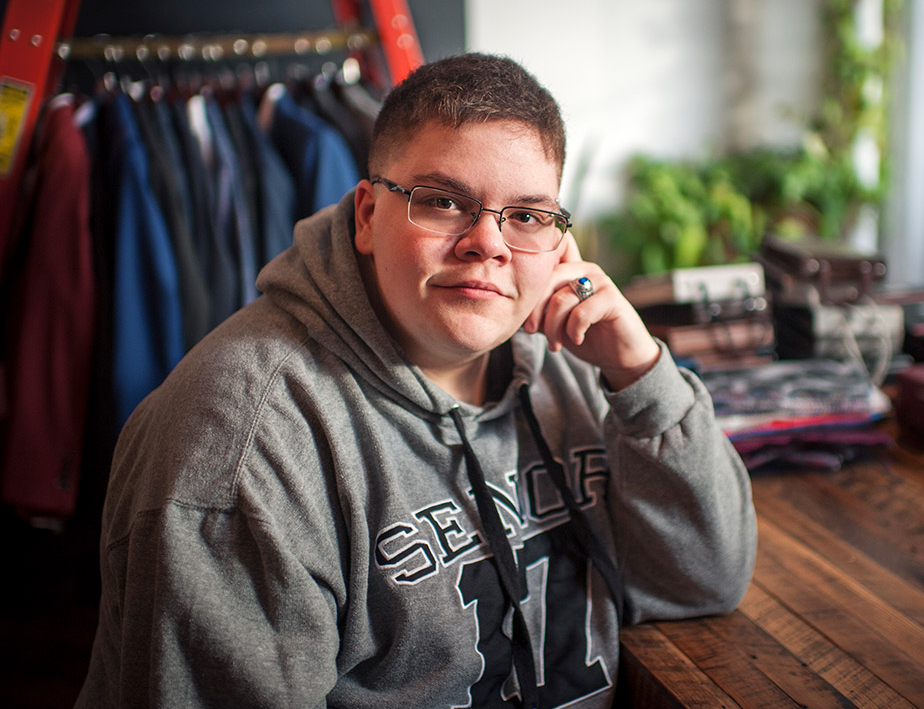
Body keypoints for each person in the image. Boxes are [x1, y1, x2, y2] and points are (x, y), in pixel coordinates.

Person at [76, 53, 757, 708]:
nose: (487, 244)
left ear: (556, 241)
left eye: (525, 216)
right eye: (443, 202)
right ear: (368, 215)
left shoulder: (569, 359)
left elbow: (705, 580)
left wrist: (640, 375)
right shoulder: (242, 442)